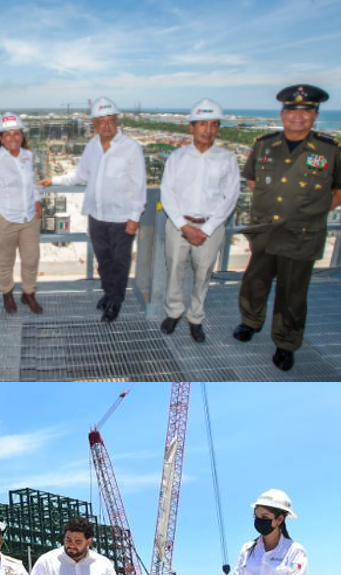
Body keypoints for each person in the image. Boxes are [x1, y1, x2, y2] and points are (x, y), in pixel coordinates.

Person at [234, 84, 341, 372]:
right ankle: (250, 322)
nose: (298, 116)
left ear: (315, 115)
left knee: (292, 293)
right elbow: (254, 182)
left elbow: (338, 191)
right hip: (266, 231)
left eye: (306, 112)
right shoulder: (264, 145)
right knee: (255, 282)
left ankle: (286, 342)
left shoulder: (330, 150)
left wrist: (309, 212)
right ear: (282, 114)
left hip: (301, 235)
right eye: (292, 110)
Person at [38, 97, 146, 322]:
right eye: (101, 122)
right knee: (104, 260)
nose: (106, 126)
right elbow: (80, 176)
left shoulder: (131, 148)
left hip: (121, 217)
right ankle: (109, 293)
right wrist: (54, 180)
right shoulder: (91, 147)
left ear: (117, 121)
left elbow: (139, 185)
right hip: (96, 216)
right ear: (94, 124)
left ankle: (115, 301)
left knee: (120, 262)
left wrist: (134, 217)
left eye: (110, 121)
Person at [158, 98, 242, 342]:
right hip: (178, 224)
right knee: (174, 270)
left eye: (214, 124)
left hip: (211, 227)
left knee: (203, 274)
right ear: (191, 127)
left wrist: (205, 228)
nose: (208, 130)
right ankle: (173, 312)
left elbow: (230, 196)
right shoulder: (177, 157)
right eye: (203, 124)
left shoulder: (227, 159)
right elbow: (167, 192)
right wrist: (184, 225)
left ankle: (196, 318)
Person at [0, 113, 44, 315]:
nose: (13, 138)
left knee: (31, 259)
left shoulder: (27, 155)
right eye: (7, 135)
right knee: (4, 261)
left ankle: (28, 293)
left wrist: (37, 199)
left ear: (22, 136)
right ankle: (7, 293)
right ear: (0, 138)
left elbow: (31, 181)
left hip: (28, 217)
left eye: (16, 134)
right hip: (4, 218)